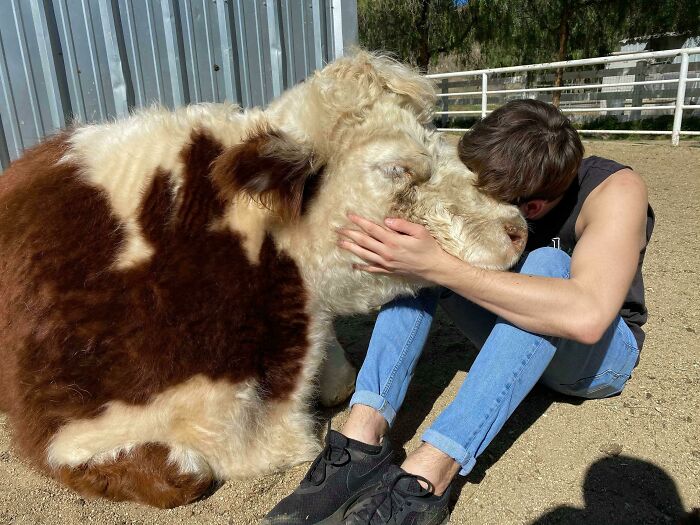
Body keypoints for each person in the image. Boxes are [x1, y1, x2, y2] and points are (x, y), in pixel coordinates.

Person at [262, 99, 654, 525]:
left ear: (533, 209)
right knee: (423, 246)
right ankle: (362, 437)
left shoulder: (615, 191)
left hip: (593, 360)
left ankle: (431, 470)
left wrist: (438, 264)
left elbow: (588, 316)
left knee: (547, 266)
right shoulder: (493, 165)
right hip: (514, 336)